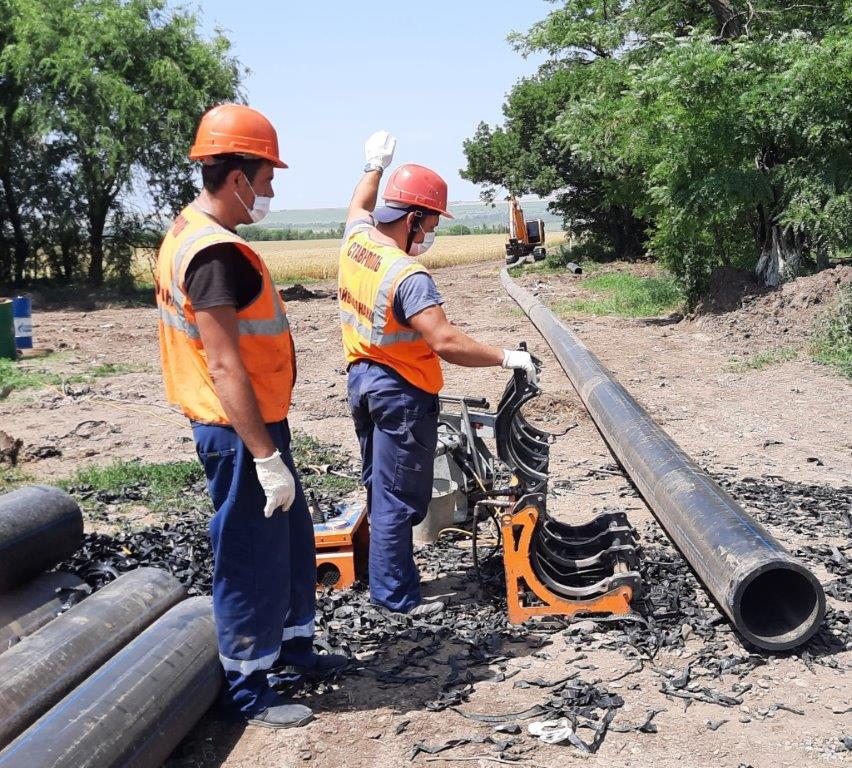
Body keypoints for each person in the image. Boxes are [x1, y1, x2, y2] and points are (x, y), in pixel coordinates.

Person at [155, 103, 344, 729]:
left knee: (288, 543)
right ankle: (247, 688)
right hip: (238, 430)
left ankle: (293, 651)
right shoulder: (215, 255)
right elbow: (224, 365)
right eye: (266, 178)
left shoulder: (189, 231)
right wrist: (264, 457)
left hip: (254, 424)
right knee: (249, 555)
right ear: (237, 177)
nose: (271, 192)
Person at [339, 130, 538, 615]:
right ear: (412, 218)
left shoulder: (357, 241)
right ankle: (395, 598)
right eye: (429, 224)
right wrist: (506, 357)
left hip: (362, 380)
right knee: (398, 498)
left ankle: (389, 580)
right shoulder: (407, 275)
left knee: (379, 485)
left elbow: (359, 203)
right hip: (399, 392)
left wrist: (373, 165)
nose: (430, 235)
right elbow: (445, 341)